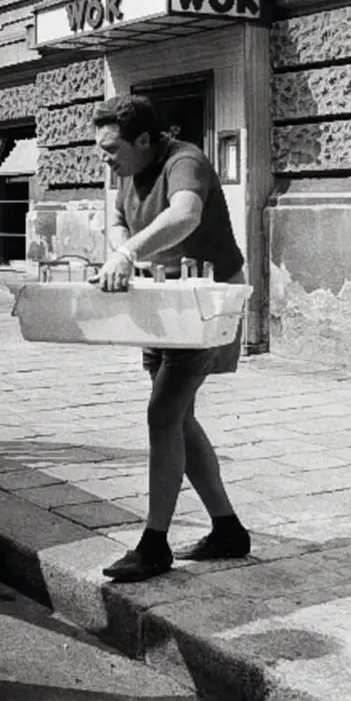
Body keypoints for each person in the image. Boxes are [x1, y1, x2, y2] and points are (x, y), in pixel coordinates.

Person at [91, 95, 251, 583]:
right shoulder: (128, 169)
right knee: (178, 418)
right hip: (163, 304)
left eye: (112, 149)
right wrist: (123, 247)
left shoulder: (185, 160)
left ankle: (154, 544)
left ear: (144, 139)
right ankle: (227, 529)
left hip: (205, 303)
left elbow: (185, 215)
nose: (106, 159)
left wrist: (128, 254)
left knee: (163, 413)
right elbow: (116, 217)